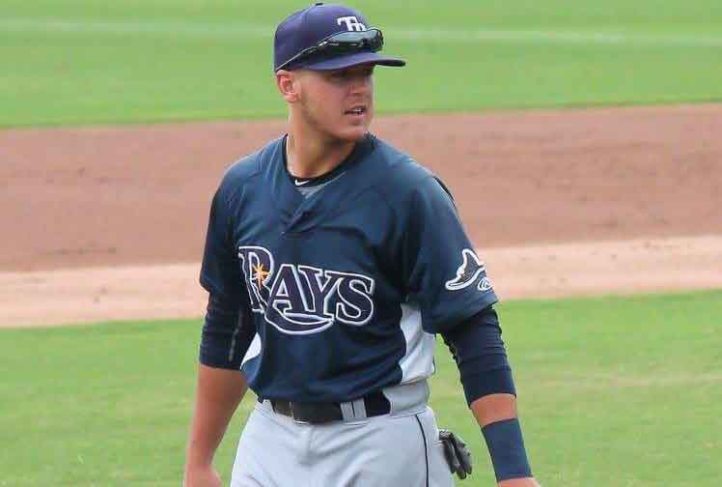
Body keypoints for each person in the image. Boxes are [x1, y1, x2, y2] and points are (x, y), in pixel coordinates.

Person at [183, 3, 540, 486]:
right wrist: (199, 460)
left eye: (366, 73)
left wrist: (514, 473)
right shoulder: (243, 189)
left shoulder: (408, 193)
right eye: (338, 76)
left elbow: (472, 329)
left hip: (380, 441)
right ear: (287, 84)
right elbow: (229, 324)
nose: (359, 89)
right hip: (269, 440)